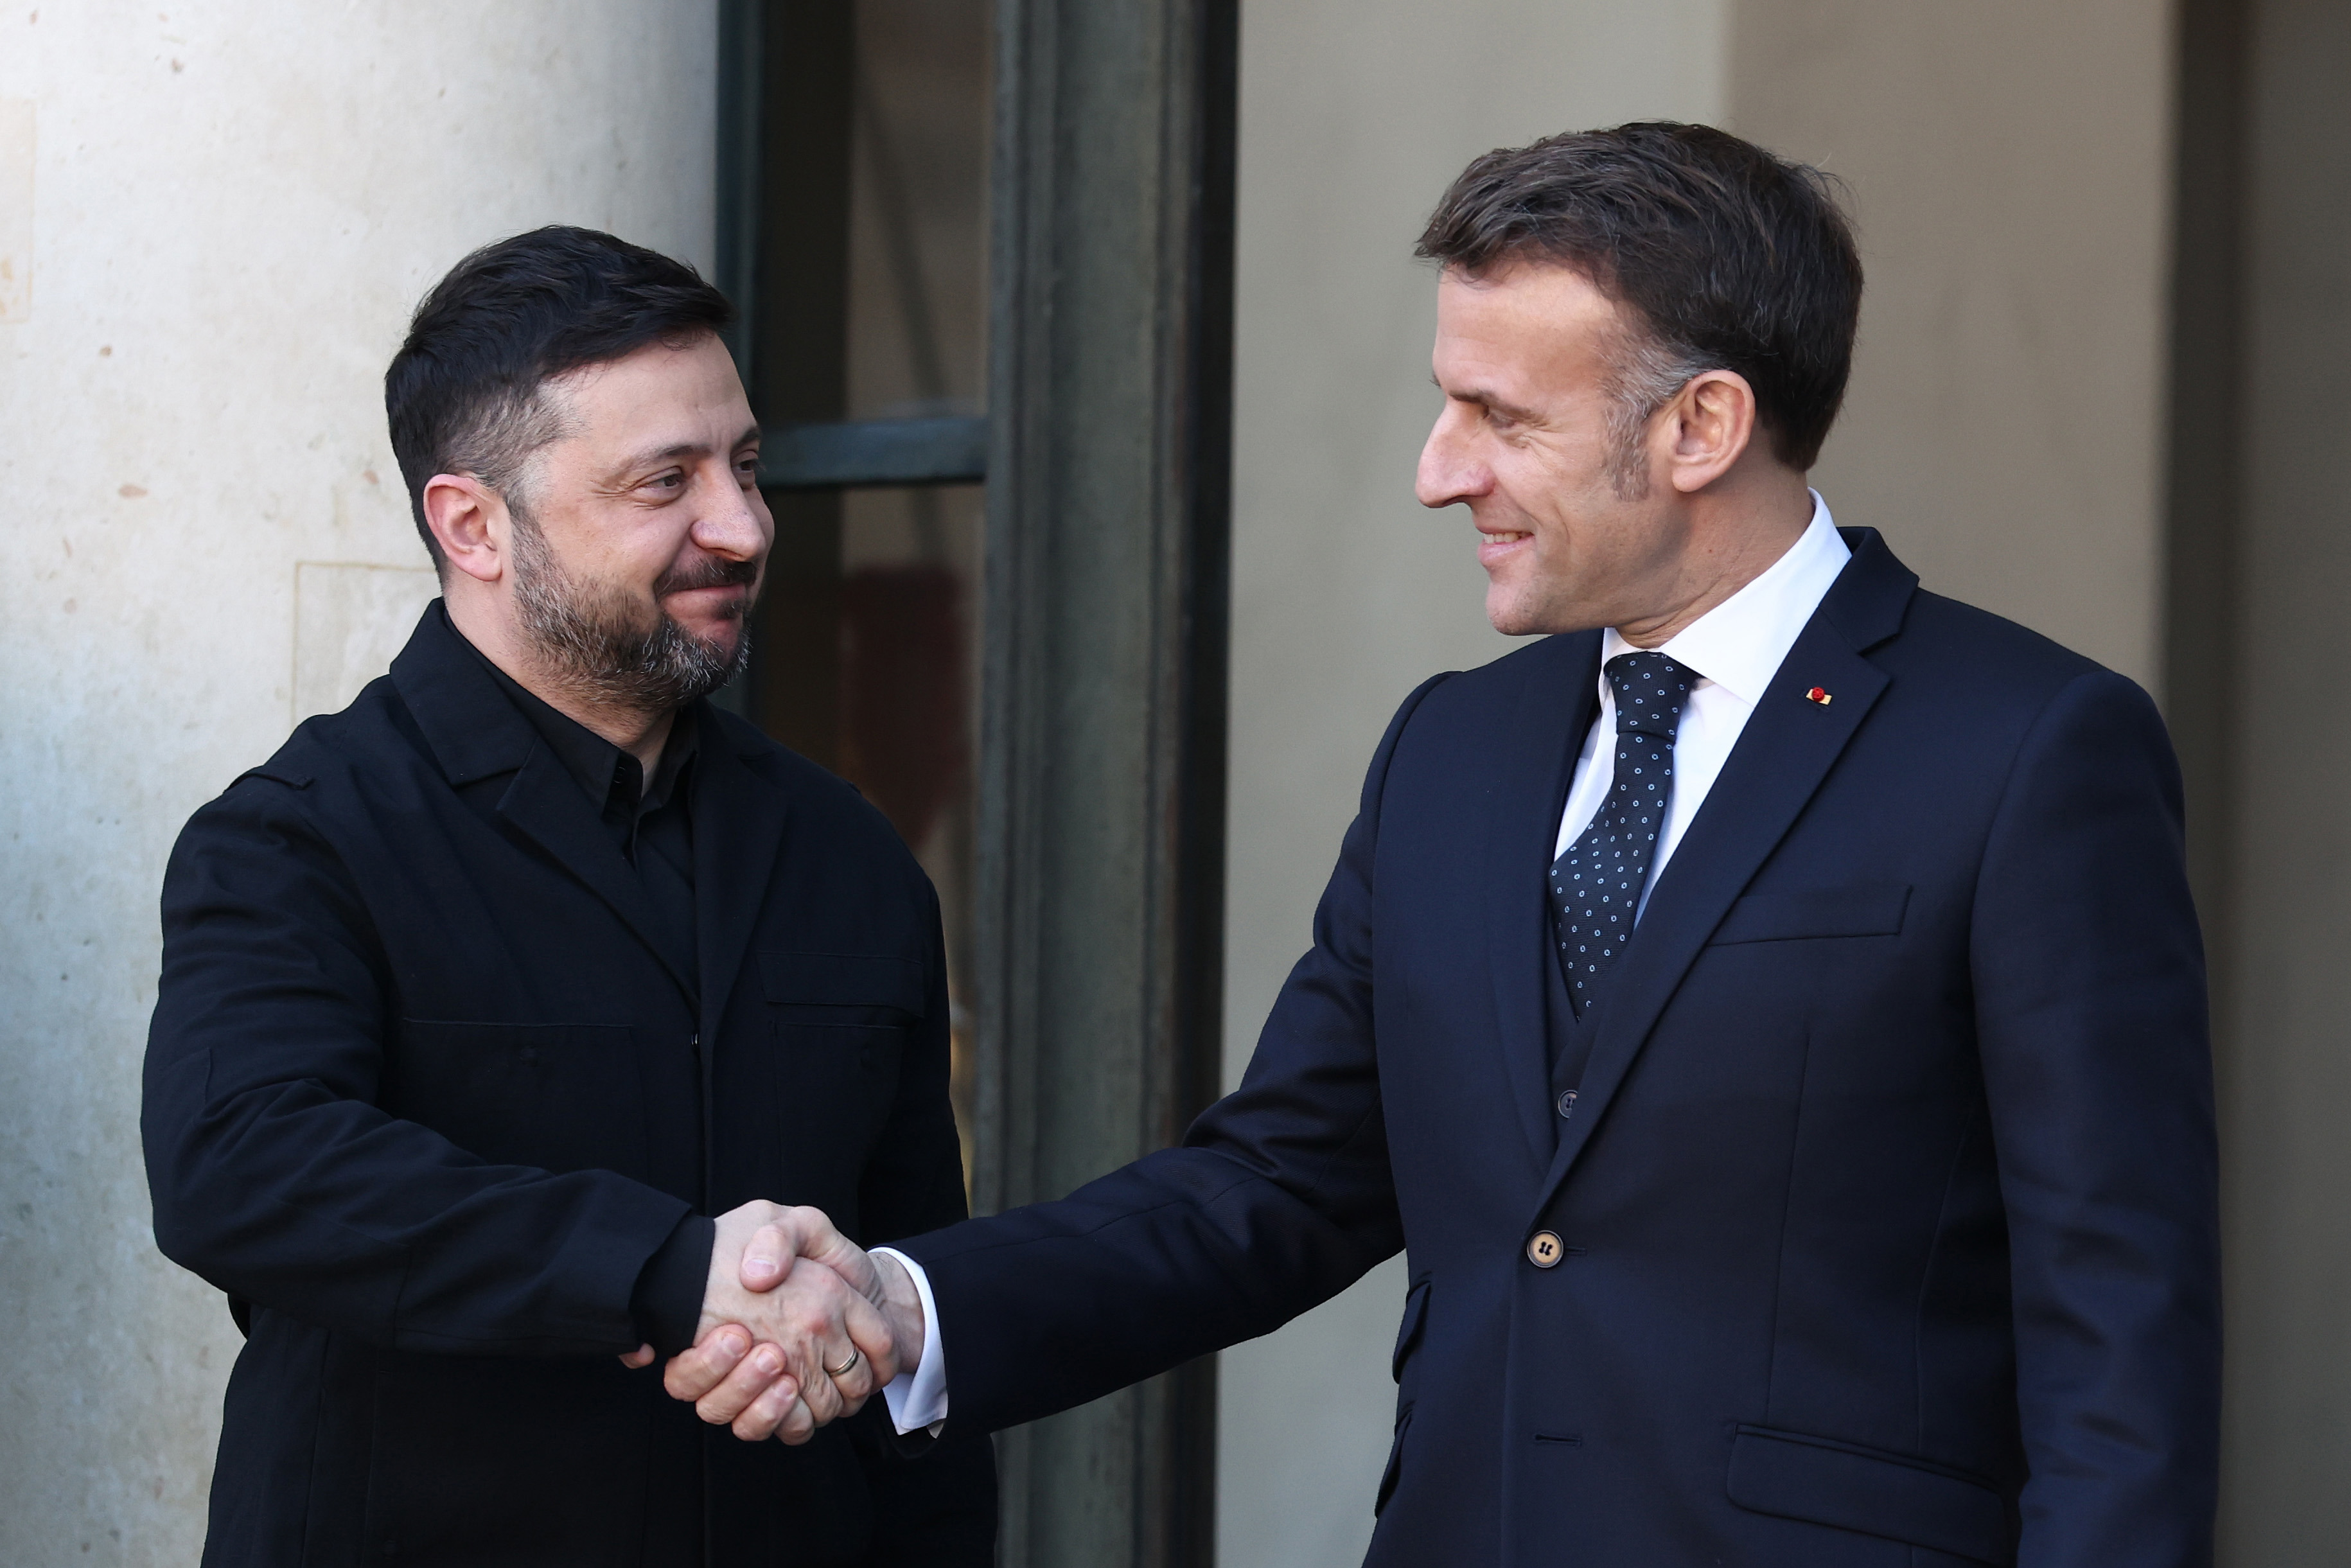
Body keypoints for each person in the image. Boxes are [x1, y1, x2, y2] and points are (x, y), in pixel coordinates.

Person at [668, 124, 2223, 1566]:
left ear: (1702, 425)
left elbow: (2119, 1331)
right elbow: (1273, 1184)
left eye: (1502, 417)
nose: (1440, 469)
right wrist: (905, 1307)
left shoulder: (2027, 750)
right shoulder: (1451, 752)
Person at [140, 226, 994, 1567]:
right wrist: (663, 1271)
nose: (744, 527)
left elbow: (908, 1326)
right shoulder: (298, 840)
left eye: (748, 466)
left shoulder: (852, 858)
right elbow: (238, 1169)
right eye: (667, 481)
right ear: (472, 524)